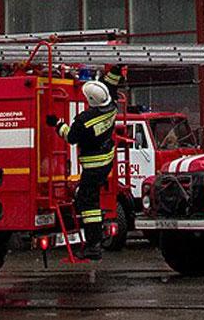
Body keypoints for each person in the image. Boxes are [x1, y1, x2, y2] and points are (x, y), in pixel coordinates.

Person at [45, 64, 124, 260]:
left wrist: (57, 124)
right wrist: (116, 69)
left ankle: (93, 245)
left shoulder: (84, 121)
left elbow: (70, 137)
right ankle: (94, 239)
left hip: (93, 166)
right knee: (89, 200)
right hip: (106, 161)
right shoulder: (112, 108)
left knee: (89, 205)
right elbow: (110, 88)